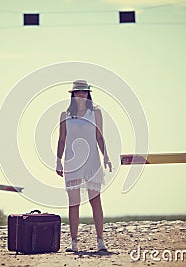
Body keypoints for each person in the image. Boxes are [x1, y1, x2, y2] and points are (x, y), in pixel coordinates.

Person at [56, 80, 112, 253]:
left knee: (95, 201)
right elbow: (62, 139)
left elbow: (99, 137)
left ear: (88, 94)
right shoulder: (65, 114)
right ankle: (73, 242)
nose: (81, 95)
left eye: (84, 92)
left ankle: (100, 241)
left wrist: (106, 157)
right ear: (72, 94)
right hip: (72, 162)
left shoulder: (95, 112)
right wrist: (58, 161)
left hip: (92, 161)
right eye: (78, 92)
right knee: (74, 203)